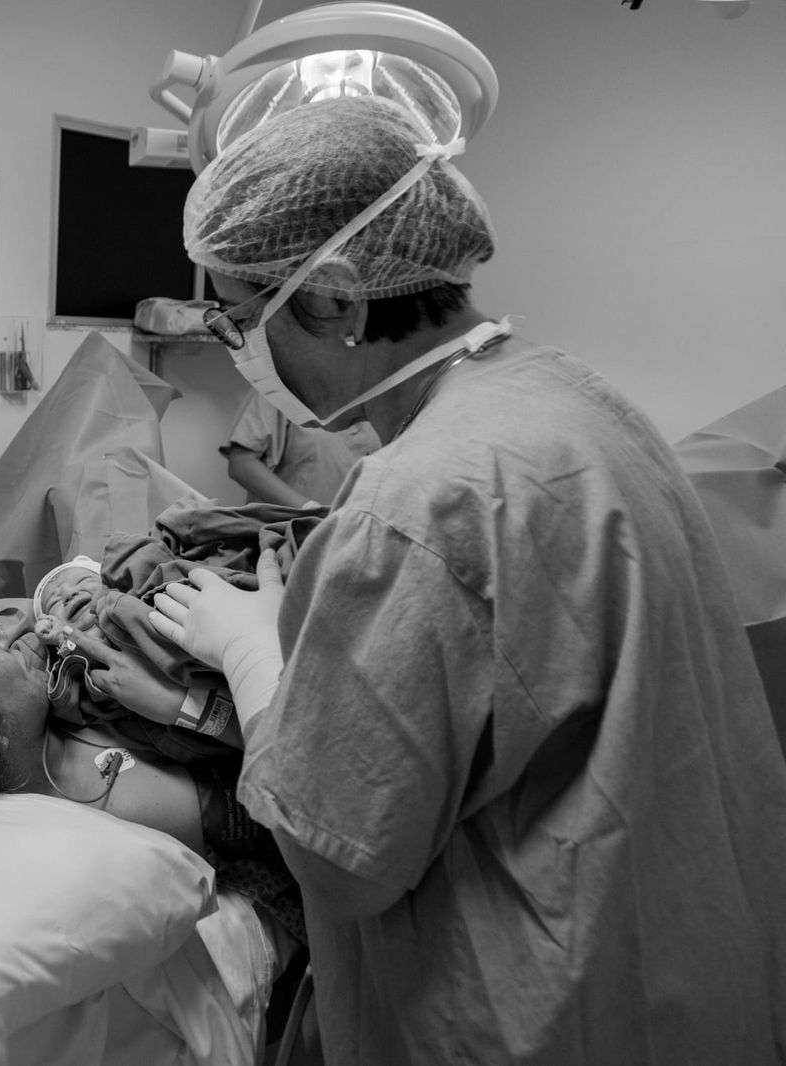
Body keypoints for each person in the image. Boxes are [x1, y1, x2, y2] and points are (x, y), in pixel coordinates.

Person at [144, 94, 786, 1064]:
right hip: (690, 980)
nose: (243, 353)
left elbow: (336, 853)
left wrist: (249, 646)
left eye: (242, 318)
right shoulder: (576, 403)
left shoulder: (418, 503)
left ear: (336, 298)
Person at [0, 609, 308, 960]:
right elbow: (298, 781)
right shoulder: (131, 810)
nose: (10, 632)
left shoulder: (52, 713)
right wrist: (182, 704)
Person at [220, 386, 378, 508]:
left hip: (353, 533)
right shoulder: (280, 387)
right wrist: (309, 510)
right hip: (288, 535)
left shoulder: (378, 393)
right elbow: (241, 463)